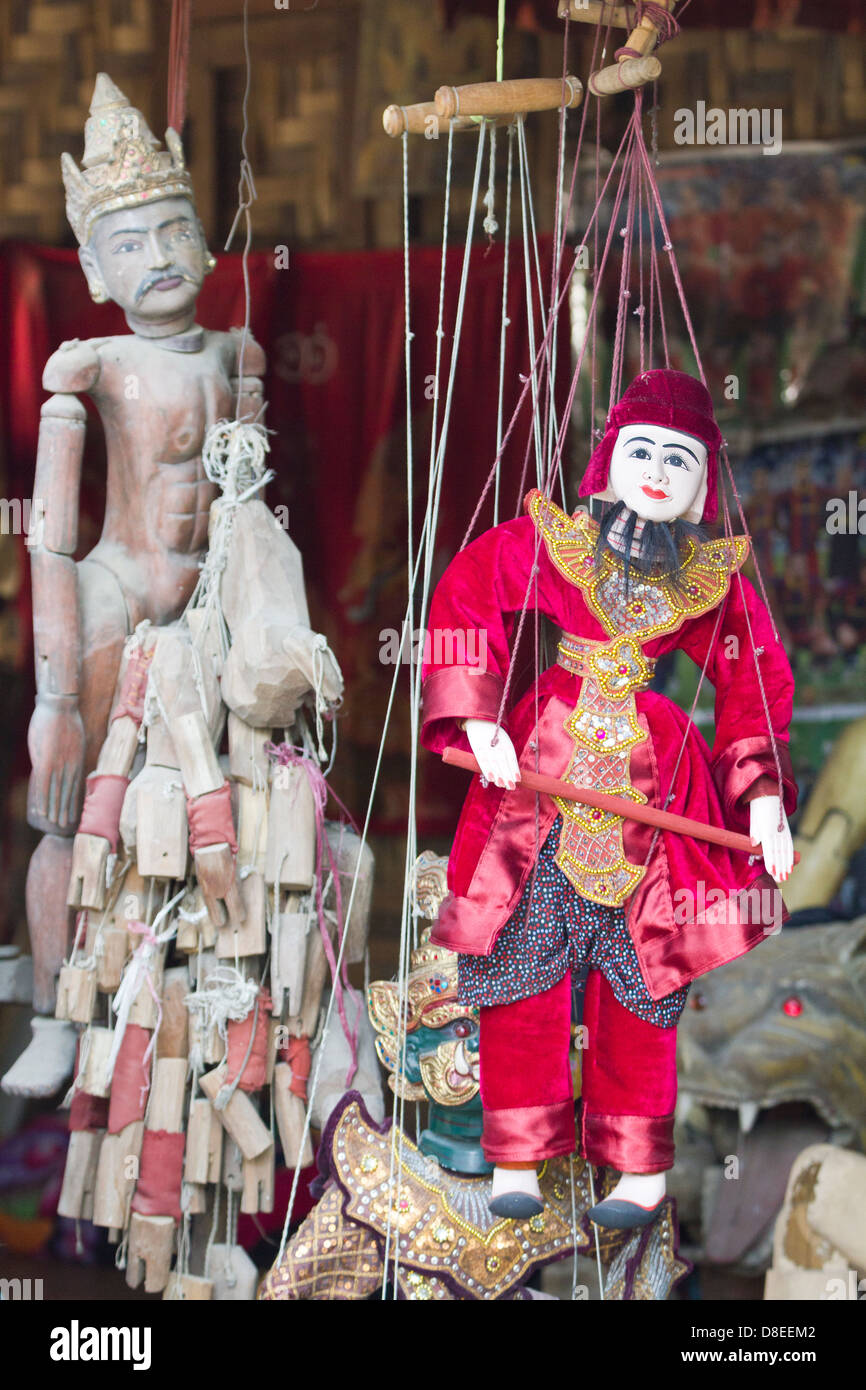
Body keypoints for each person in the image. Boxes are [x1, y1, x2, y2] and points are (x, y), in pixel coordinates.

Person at [420, 369, 796, 1229]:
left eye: (679, 460)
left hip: (654, 785)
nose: (659, 472)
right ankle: (517, 1149)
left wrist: (763, 798)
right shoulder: (553, 544)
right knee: (520, 962)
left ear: (702, 481)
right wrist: (476, 718)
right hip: (541, 776)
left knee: (643, 980)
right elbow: (469, 594)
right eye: (643, 452)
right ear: (609, 460)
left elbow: (755, 678)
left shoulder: (708, 581)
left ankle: (638, 1173)